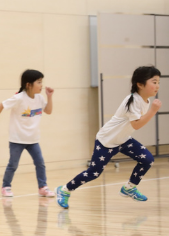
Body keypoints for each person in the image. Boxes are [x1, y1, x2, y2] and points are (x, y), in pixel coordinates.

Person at [56, 66, 161, 208]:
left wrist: (151, 109)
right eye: (154, 82)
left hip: (123, 140)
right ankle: (64, 190)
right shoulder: (132, 100)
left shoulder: (145, 101)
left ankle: (129, 188)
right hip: (106, 141)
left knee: (147, 159)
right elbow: (136, 125)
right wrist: (153, 111)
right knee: (93, 173)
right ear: (140, 84)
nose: (157, 86)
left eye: (158, 82)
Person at [0, 70, 54, 197]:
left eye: (42, 82)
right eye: (39, 82)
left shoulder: (40, 98)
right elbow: (1, 105)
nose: (41, 85)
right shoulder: (18, 98)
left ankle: (43, 187)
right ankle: (6, 186)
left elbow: (48, 111)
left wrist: (49, 96)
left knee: (40, 163)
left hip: (33, 139)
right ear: (28, 84)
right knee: (13, 164)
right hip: (17, 140)